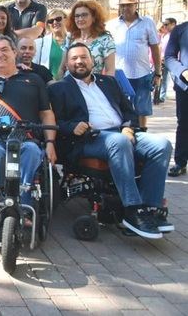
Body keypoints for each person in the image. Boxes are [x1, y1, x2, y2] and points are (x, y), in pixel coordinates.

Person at [49, 42, 173, 238]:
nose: (79, 61)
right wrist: (72, 126)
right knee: (118, 142)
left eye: (84, 57)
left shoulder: (109, 82)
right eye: (74, 58)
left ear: (92, 61)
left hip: (122, 133)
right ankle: (132, 210)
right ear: (67, 64)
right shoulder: (59, 89)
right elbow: (55, 122)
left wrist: (128, 128)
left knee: (161, 145)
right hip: (89, 139)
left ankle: (151, 208)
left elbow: (129, 112)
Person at [0, 35, 57, 210]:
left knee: (33, 153)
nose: (0, 54)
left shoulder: (34, 80)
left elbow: (46, 113)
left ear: (14, 52)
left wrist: (50, 143)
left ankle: (25, 204)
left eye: (4, 49)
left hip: (27, 139)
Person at [108, 0, 160, 128]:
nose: (126, 8)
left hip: (141, 72)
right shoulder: (112, 25)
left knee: (142, 108)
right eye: (123, 5)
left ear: (135, 5)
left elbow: (155, 48)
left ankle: (142, 133)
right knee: (120, 106)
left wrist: (158, 72)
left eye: (129, 5)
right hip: (119, 73)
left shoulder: (147, 23)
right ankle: (124, 132)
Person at [64, 0, 116, 77]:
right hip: (69, 85)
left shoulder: (105, 40)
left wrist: (105, 87)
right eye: (77, 16)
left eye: (84, 15)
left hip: (92, 86)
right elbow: (62, 68)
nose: (80, 19)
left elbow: (110, 71)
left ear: (94, 17)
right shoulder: (70, 38)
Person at [165, 21, 188, 177]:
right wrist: (182, 71)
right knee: (185, 123)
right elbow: (169, 57)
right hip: (185, 86)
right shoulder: (180, 29)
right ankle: (180, 162)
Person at [34, 8, 71, 79]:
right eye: (50, 21)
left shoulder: (74, 39)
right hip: (49, 85)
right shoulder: (40, 43)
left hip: (71, 84)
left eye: (58, 19)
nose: (54, 22)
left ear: (66, 20)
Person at [154, 18, 176, 104]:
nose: (165, 27)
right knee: (163, 79)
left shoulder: (175, 35)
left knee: (176, 78)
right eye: (164, 25)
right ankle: (161, 97)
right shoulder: (164, 36)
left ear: (173, 24)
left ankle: (181, 94)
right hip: (164, 59)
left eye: (167, 25)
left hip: (173, 60)